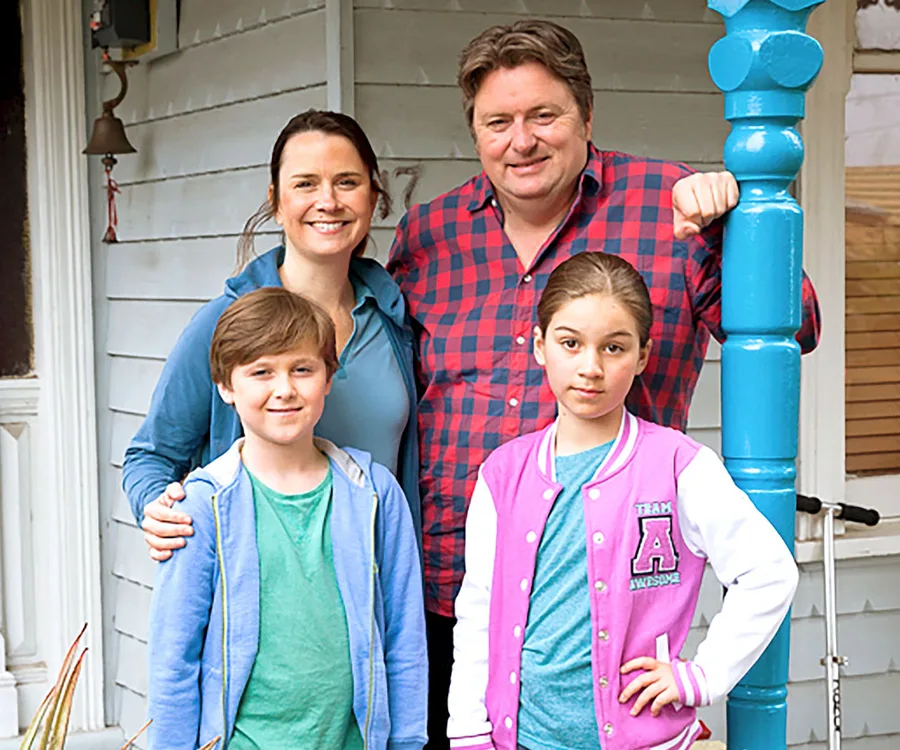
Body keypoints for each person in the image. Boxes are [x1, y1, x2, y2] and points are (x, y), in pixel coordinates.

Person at [384, 20, 819, 746]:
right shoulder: (430, 234)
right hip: (448, 595)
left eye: (543, 115)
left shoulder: (670, 202)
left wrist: (735, 225)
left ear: (587, 115)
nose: (520, 140)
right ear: (475, 131)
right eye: (498, 122)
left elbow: (795, 323)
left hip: (608, 615)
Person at [445, 252, 799, 750]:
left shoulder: (680, 466)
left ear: (643, 355)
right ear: (541, 346)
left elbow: (769, 574)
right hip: (520, 739)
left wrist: (701, 675)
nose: (590, 367)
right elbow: (479, 610)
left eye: (614, 347)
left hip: (644, 740)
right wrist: (468, 730)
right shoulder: (504, 474)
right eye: (571, 343)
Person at [123, 110, 422, 559]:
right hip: (261, 591)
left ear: (373, 196)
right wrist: (160, 512)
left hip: (376, 588)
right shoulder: (228, 321)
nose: (328, 201)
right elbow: (151, 458)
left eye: (347, 182)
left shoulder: (394, 317)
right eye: (305, 183)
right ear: (276, 201)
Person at [147, 287, 427, 750]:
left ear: (328, 378)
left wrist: (409, 742)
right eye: (261, 372)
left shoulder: (375, 494)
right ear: (225, 386)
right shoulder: (202, 506)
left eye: (302, 369)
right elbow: (174, 659)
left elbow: (404, 639)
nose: (285, 389)